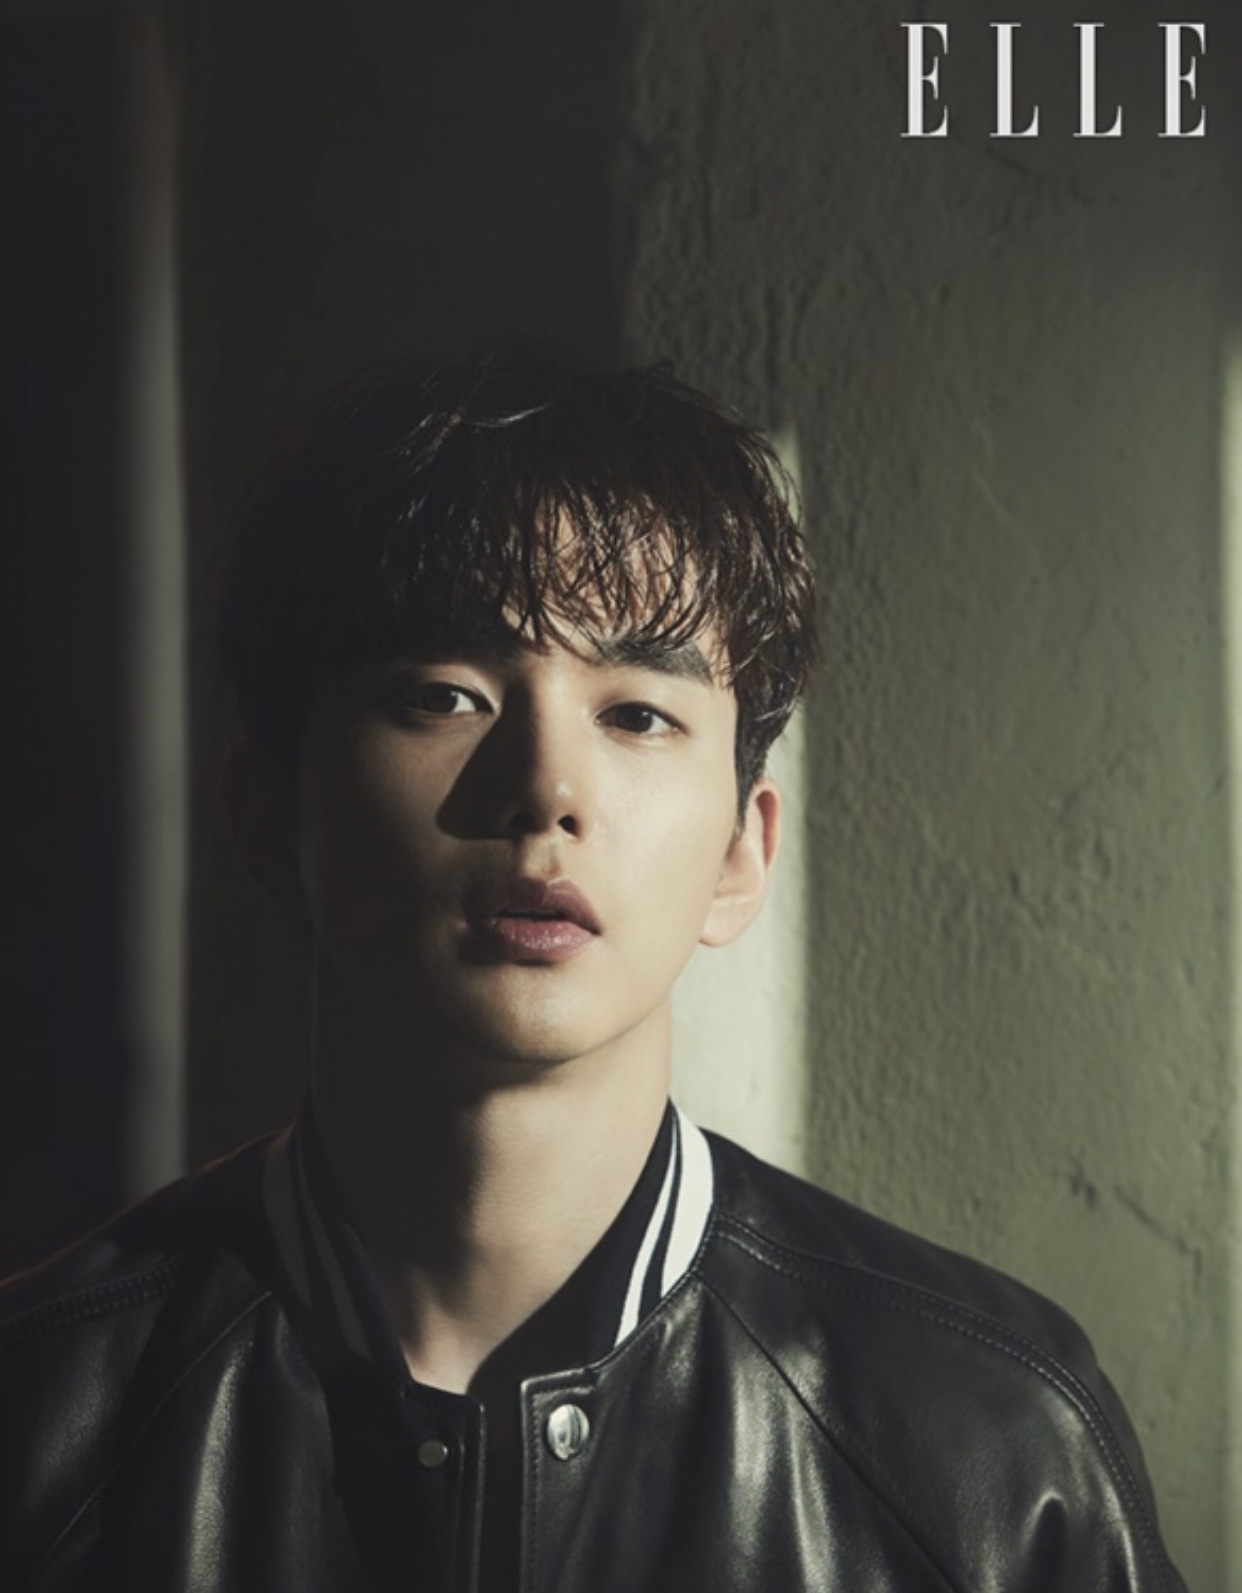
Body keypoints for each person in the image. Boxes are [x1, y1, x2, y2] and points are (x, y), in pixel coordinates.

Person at [0, 350, 1183, 1592]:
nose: (547, 789)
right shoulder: (41, 1419)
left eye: (637, 714)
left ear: (740, 854)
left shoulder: (990, 1446)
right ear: (268, 816)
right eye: (445, 694)